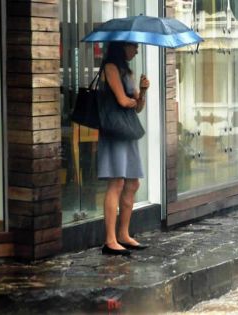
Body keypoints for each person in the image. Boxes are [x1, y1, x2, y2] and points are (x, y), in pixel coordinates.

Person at [97, 42, 150, 256]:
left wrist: (143, 91)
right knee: (116, 181)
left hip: (128, 131)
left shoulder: (127, 71)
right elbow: (121, 100)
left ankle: (124, 234)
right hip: (115, 131)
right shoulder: (110, 67)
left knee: (133, 182)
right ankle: (110, 240)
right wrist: (131, 100)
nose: (136, 50)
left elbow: (137, 107)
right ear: (122, 47)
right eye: (133, 47)